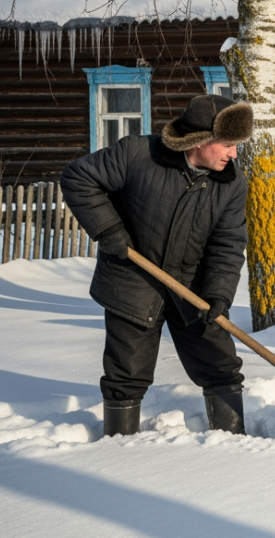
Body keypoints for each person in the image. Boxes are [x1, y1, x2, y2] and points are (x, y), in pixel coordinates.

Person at [61, 94, 253, 437]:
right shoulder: (137, 154)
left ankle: (234, 445)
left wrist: (219, 294)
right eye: (227, 144)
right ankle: (121, 449)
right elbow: (78, 177)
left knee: (220, 364)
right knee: (126, 373)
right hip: (132, 281)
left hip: (193, 287)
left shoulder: (231, 184)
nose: (234, 154)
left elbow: (228, 244)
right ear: (200, 140)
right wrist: (109, 230)